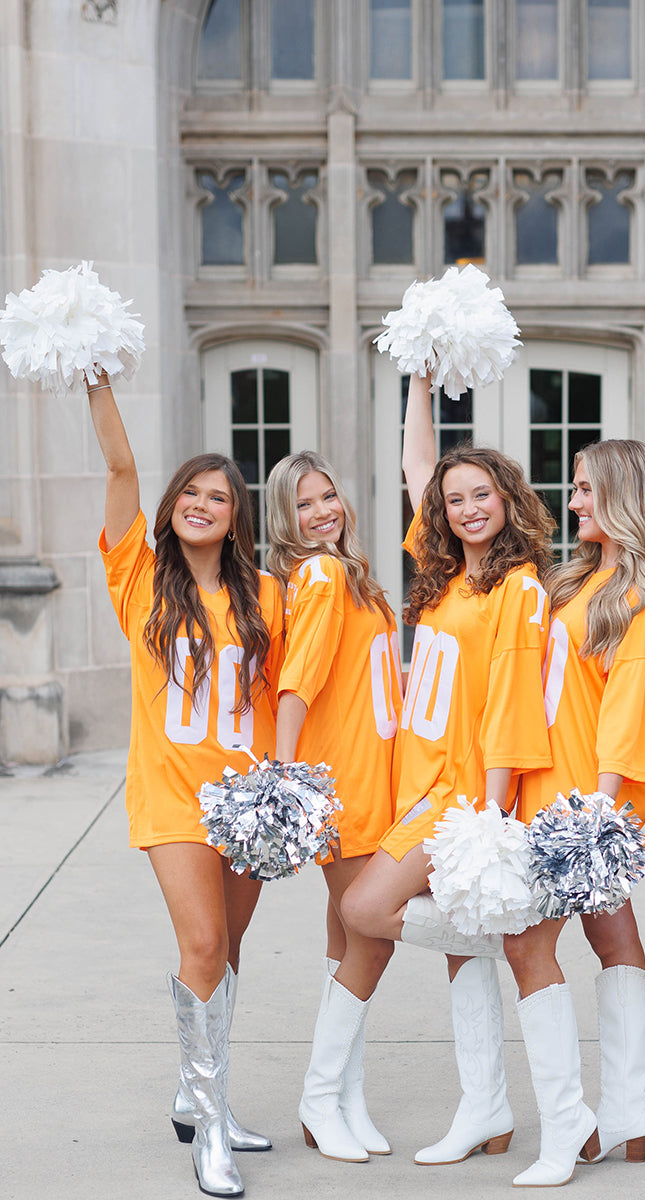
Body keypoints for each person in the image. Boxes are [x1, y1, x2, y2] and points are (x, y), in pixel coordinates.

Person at [339, 370, 556, 1176]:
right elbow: (416, 469)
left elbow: (509, 705)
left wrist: (491, 821)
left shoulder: (518, 586)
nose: (467, 507)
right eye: (456, 498)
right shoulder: (440, 572)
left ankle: (510, 941)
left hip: (460, 797)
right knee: (461, 960)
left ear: (507, 502)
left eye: (482, 496)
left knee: (365, 907)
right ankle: (485, 1107)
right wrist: (420, 380)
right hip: (416, 782)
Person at [86, 371, 284, 1198]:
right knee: (202, 944)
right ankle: (211, 1127)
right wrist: (96, 381)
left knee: (227, 954)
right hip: (171, 795)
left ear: (238, 516)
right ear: (171, 507)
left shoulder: (267, 594)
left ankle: (200, 1092)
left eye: (219, 496)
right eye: (190, 493)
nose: (201, 503)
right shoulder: (139, 578)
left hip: (247, 802)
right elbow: (121, 471)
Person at [504, 439, 645, 1185]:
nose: (572, 503)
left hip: (580, 805)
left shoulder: (640, 593)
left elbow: (629, 711)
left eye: (583, 491)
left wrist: (598, 819)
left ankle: (569, 1125)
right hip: (547, 791)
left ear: (620, 496)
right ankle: (630, 1116)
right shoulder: (576, 581)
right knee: (613, 940)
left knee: (525, 948)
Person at [265, 451, 402, 1163]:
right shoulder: (320, 575)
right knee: (370, 939)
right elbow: (297, 685)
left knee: (345, 938)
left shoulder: (348, 575)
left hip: (371, 775)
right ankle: (322, 1095)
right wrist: (288, 782)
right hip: (344, 783)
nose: (323, 513)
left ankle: (344, 1098)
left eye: (328, 497)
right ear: (286, 520)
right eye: (304, 505)